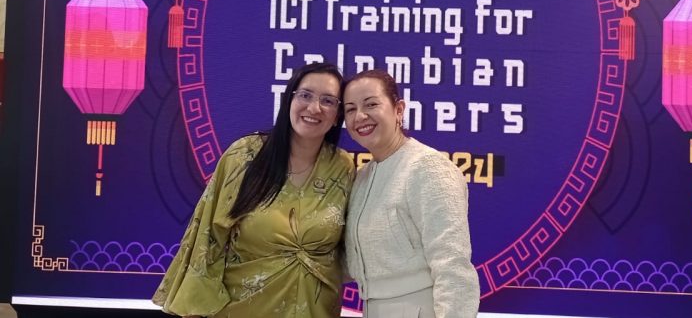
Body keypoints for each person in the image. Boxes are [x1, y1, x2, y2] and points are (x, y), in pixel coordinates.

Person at [153, 62, 355, 318]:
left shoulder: (342, 167)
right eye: (305, 95)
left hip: (316, 309)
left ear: (337, 115)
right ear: (288, 100)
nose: (314, 108)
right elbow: (207, 237)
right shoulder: (245, 156)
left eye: (327, 101)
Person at [342, 69, 480, 318]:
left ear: (398, 109)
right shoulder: (362, 178)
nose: (360, 116)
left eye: (371, 104)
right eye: (350, 109)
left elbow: (453, 265)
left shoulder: (428, 167)